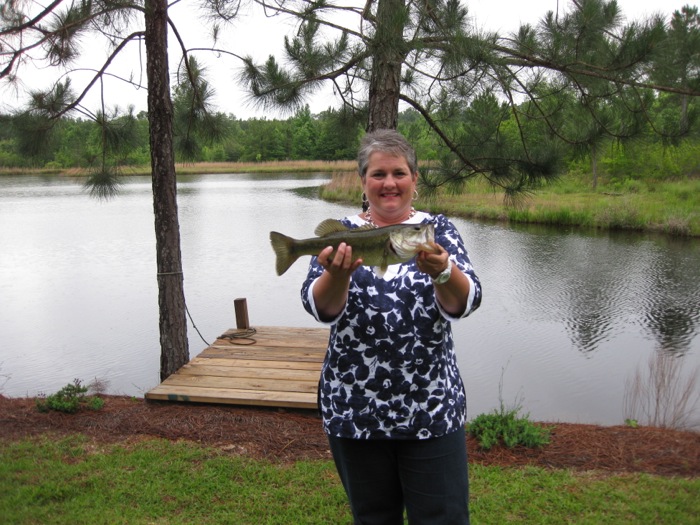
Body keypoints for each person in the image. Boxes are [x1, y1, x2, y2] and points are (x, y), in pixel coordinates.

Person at [301, 129, 482, 524]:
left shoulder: (437, 232)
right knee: (373, 518)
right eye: (378, 174)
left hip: (431, 408)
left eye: (399, 173)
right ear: (363, 181)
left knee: (444, 518)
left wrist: (445, 271)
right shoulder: (343, 237)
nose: (389, 183)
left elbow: (466, 301)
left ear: (414, 179)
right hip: (354, 409)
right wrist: (337, 275)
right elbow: (318, 307)